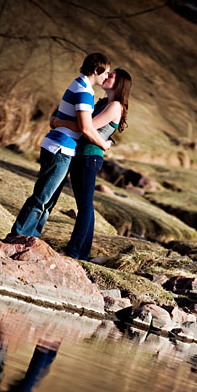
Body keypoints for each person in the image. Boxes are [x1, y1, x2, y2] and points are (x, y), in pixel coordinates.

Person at [8, 53, 113, 239]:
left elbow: (67, 121)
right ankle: (18, 236)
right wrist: (103, 144)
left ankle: (31, 238)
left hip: (61, 147)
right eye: (106, 73)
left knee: (48, 201)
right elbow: (85, 129)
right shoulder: (84, 91)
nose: (107, 77)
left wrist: (58, 121)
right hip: (60, 148)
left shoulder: (79, 85)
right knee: (42, 198)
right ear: (97, 70)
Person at [52, 68, 132, 261]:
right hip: (83, 155)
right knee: (84, 205)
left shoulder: (115, 106)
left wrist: (58, 122)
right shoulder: (106, 103)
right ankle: (82, 251)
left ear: (119, 83)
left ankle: (75, 251)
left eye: (111, 75)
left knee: (85, 205)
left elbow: (86, 127)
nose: (106, 76)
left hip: (90, 156)